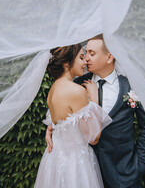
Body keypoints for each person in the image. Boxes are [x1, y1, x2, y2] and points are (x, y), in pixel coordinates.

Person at [45, 34, 145, 188]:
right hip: (84, 173)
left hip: (123, 174)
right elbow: (63, 113)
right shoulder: (77, 85)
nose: (86, 59)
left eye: (92, 54)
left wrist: (139, 166)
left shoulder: (131, 86)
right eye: (85, 54)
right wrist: (51, 127)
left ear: (109, 57)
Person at [34, 44, 112, 188]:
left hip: (54, 161)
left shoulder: (53, 89)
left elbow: (61, 122)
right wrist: (94, 99)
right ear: (65, 63)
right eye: (81, 58)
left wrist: (50, 128)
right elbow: (94, 138)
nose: (85, 63)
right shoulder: (76, 91)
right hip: (75, 163)